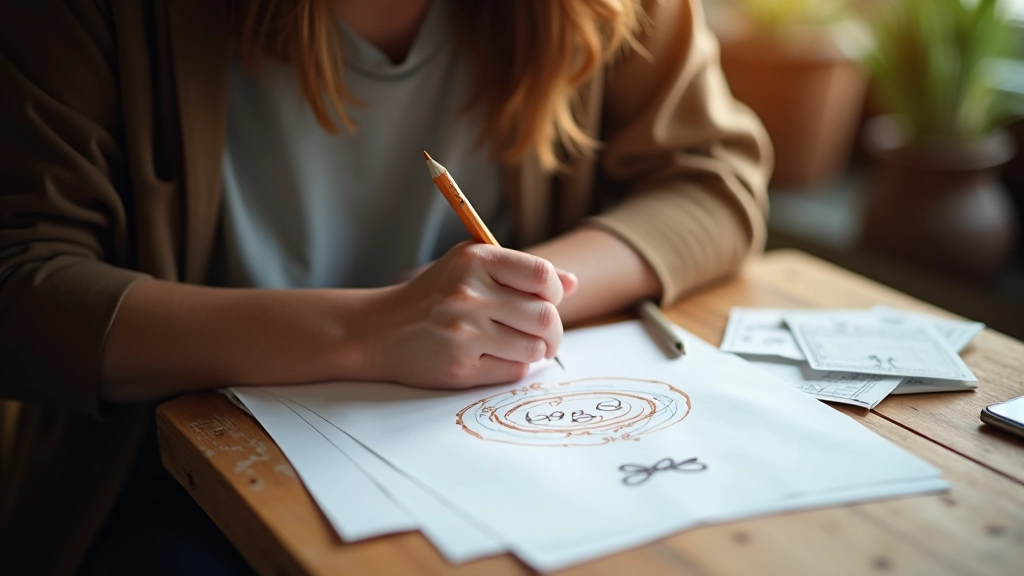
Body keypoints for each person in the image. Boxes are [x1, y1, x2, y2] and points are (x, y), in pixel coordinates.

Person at [0, 0, 771, 572]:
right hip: (172, 480)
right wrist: (368, 331)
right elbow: (24, 290)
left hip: (490, 460)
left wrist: (517, 292)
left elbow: (714, 182)